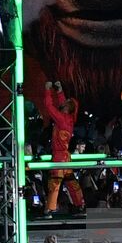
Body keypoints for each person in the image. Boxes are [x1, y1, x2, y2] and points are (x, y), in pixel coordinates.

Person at [41, 81, 84, 215]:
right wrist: (59, 91)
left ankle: (51, 208)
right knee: (71, 182)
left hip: (59, 157)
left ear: (67, 108)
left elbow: (49, 106)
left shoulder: (61, 119)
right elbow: (62, 103)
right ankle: (80, 204)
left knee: (55, 183)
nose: (63, 103)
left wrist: (47, 90)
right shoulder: (69, 118)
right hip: (66, 157)